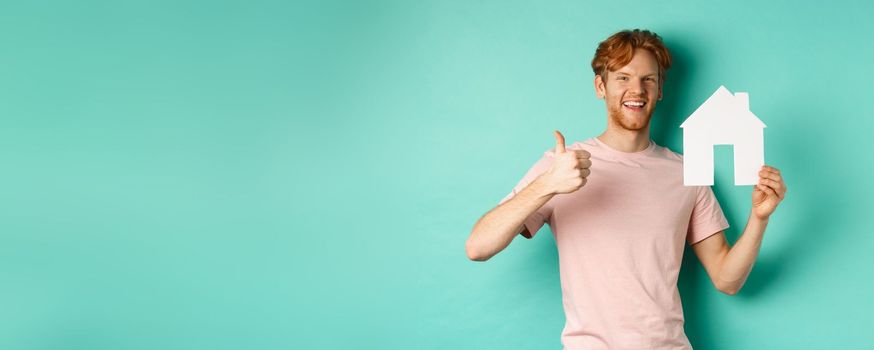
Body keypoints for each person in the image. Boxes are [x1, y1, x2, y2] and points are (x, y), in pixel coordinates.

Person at [464, 29, 787, 350]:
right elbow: (478, 247)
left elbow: (726, 279)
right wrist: (547, 185)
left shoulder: (687, 172)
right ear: (600, 86)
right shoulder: (562, 165)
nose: (637, 89)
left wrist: (759, 218)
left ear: (660, 90)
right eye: (623, 77)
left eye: (649, 79)